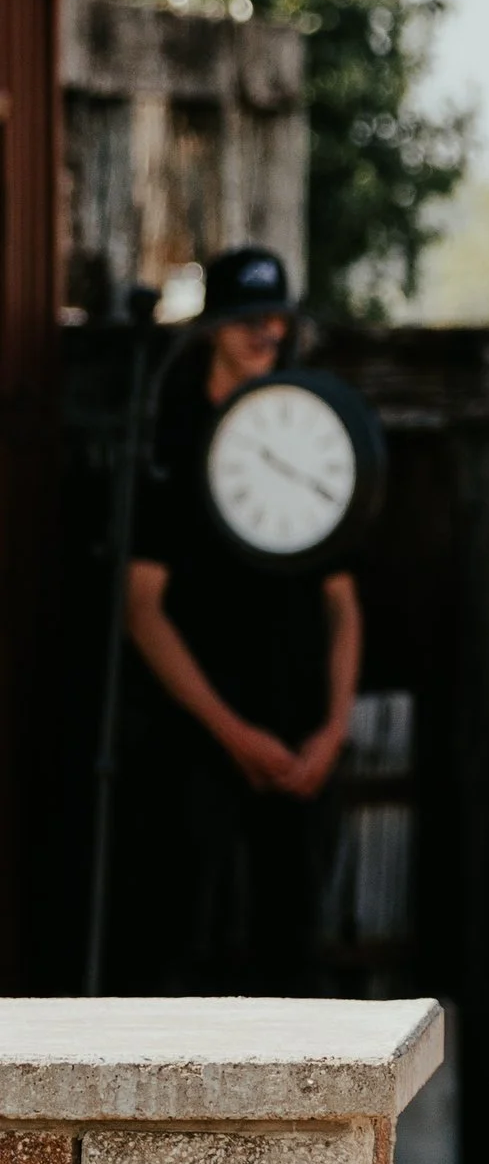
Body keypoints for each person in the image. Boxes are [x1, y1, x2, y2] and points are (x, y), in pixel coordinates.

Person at [124, 244, 360, 995]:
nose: (266, 334)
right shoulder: (172, 441)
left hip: (298, 733)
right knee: (185, 935)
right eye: (249, 319)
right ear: (213, 329)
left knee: (294, 943)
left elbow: (344, 604)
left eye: (277, 320)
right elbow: (141, 609)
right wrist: (231, 734)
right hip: (198, 734)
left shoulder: (307, 428)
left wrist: (331, 730)